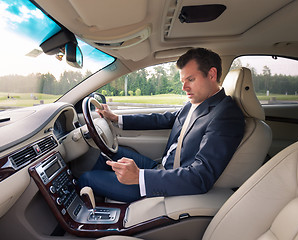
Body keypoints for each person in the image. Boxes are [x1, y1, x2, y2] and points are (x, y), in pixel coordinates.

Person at [78, 48, 245, 203]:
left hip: (168, 182)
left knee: (86, 178)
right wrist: (116, 118)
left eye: (191, 79)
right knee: (105, 152)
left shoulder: (225, 115)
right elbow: (164, 119)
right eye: (182, 80)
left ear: (212, 74)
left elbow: (201, 177)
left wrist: (139, 177)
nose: (184, 87)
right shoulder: (198, 102)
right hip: (160, 168)